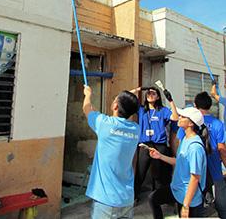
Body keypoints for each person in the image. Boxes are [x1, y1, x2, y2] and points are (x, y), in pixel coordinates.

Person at [82, 85, 140, 219]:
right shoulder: (135, 129)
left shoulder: (104, 124)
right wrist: (128, 96)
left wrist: (88, 95)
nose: (113, 101)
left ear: (115, 107)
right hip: (126, 198)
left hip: (105, 201)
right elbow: (98, 115)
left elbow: (87, 109)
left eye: (115, 99)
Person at [148, 106, 209, 218]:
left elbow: (195, 178)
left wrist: (186, 205)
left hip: (189, 197)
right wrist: (160, 156)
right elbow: (179, 161)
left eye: (183, 116)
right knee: (153, 198)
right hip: (177, 190)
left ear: (191, 124)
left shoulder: (195, 147)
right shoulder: (185, 139)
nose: (179, 117)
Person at [177, 91, 226, 217]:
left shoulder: (189, 123)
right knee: (221, 202)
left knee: (199, 199)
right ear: (210, 106)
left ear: (195, 105)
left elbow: (180, 145)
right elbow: (221, 149)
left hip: (193, 170)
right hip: (214, 168)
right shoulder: (217, 124)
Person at [129, 86, 172, 200]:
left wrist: (170, 100)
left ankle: (159, 198)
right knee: (140, 172)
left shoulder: (163, 110)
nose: (150, 95)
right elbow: (127, 97)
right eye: (148, 94)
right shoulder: (142, 109)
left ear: (158, 97)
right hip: (144, 145)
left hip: (159, 145)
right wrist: (138, 89)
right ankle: (134, 197)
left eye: (153, 93)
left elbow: (175, 117)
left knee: (159, 174)